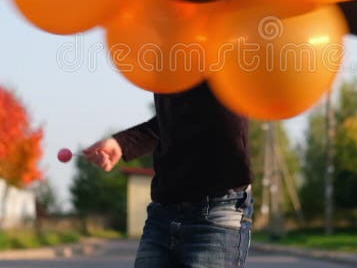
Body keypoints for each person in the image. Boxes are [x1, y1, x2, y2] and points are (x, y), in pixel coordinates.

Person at [82, 81, 254, 268]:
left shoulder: (226, 57)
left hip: (218, 208)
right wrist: (122, 144)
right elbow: (174, 119)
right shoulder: (167, 63)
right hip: (163, 212)